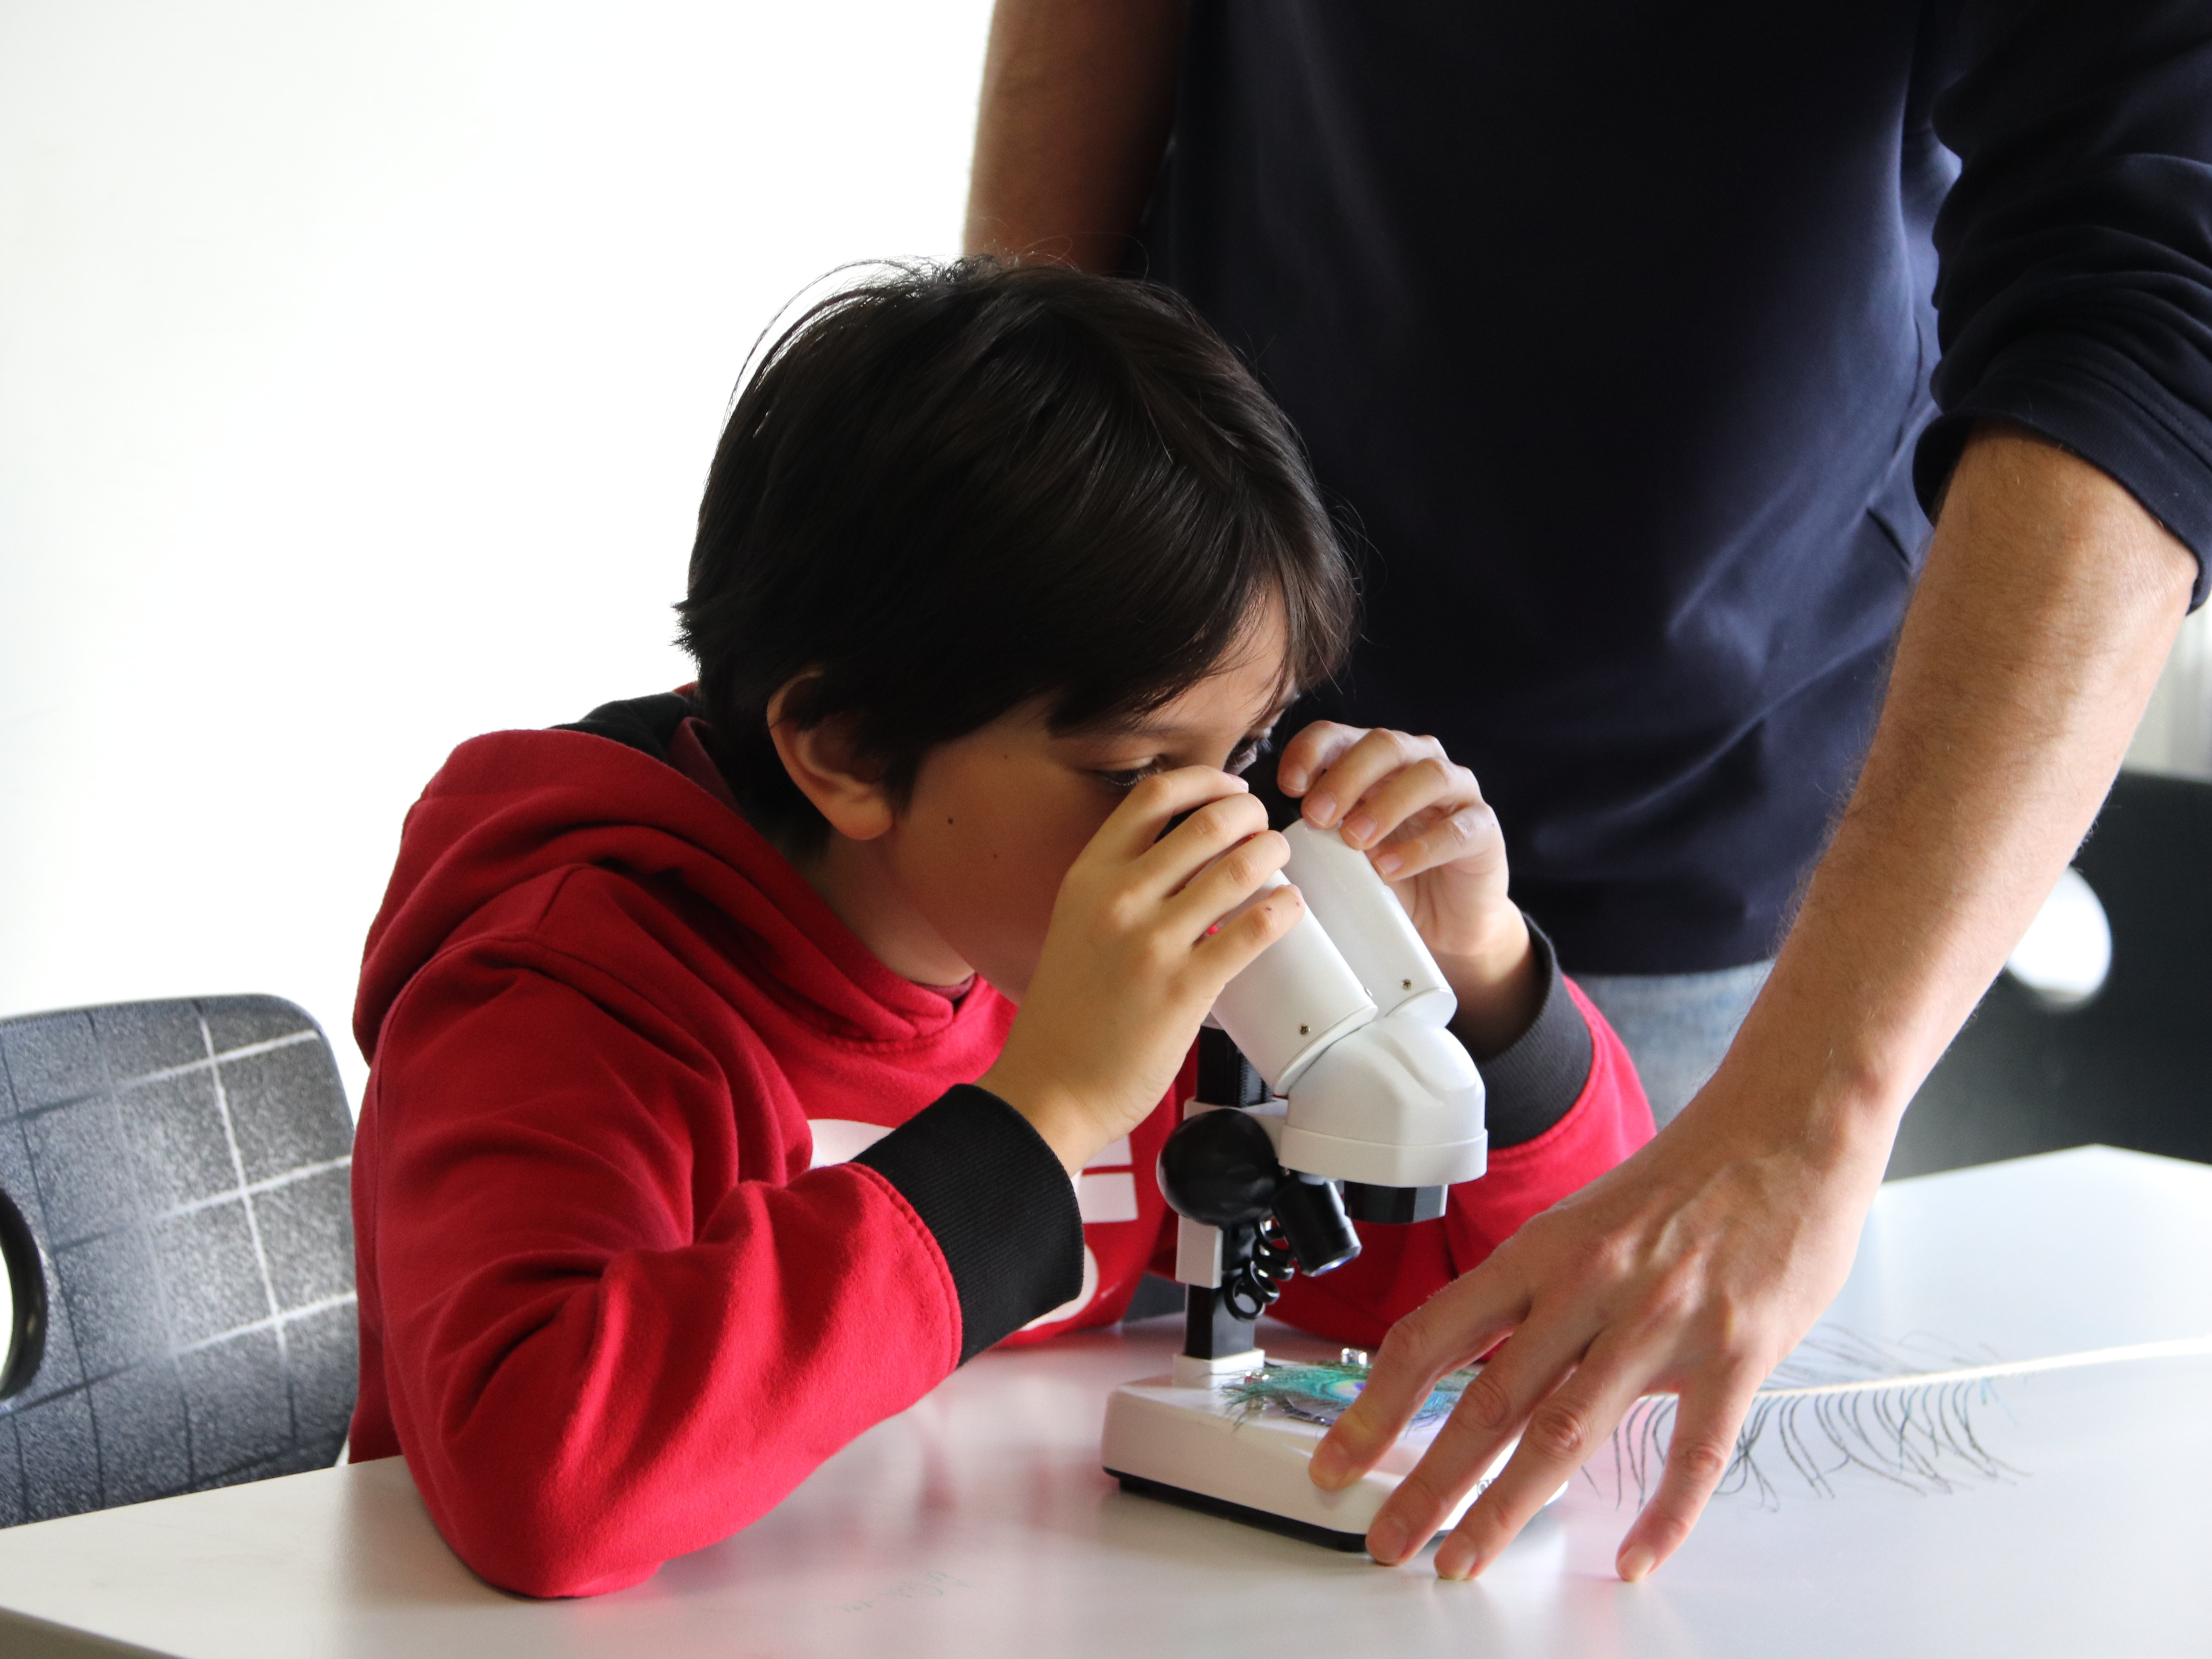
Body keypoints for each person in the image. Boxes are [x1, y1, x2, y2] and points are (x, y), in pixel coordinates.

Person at [964, 0, 2208, 1582]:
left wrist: (1787, 1115)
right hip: (1171, 699)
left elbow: (2153, 287)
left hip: (1699, 803)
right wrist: (1008, 504)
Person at [346, 260, 1653, 1596]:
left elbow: (1533, 1325)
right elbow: (540, 1484)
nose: (1218, 826)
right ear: (847, 749)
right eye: (1134, 769)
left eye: (1245, 751)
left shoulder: (1115, 952)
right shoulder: (563, 989)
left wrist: (1483, 979)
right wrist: (1044, 1112)